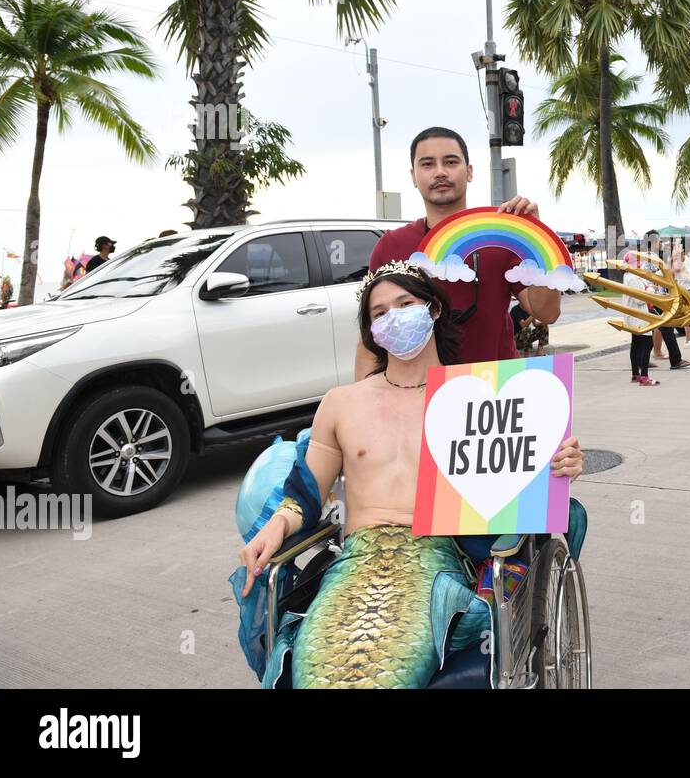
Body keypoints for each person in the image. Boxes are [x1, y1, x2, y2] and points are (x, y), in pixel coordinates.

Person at [238, 262, 585, 687]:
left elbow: (525, 473)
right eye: (379, 313)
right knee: (325, 672)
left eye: (405, 304)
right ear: (369, 330)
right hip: (356, 563)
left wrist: (561, 462)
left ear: (434, 309)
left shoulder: (476, 397)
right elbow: (306, 493)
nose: (393, 318)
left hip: (434, 561)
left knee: (383, 674)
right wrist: (278, 523)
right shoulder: (342, 402)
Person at [356, 127, 561, 377]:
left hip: (495, 389)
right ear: (413, 176)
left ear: (470, 171)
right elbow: (369, 341)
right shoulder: (391, 246)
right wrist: (365, 401)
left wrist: (536, 242)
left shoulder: (504, 238)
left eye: (451, 162)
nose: (440, 172)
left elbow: (547, 313)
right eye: (428, 164)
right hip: (416, 394)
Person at [643, 230, 690, 370]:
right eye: (659, 241)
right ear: (653, 241)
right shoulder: (651, 257)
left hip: (655, 296)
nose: (660, 243)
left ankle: (643, 360)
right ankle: (676, 360)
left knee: (651, 328)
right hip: (655, 296)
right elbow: (657, 276)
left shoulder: (652, 256)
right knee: (665, 326)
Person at [621, 251, 660, 386]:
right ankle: (644, 376)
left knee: (636, 344)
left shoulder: (628, 276)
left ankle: (636, 374)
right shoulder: (633, 278)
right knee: (647, 344)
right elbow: (639, 299)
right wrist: (651, 289)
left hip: (633, 315)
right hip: (639, 315)